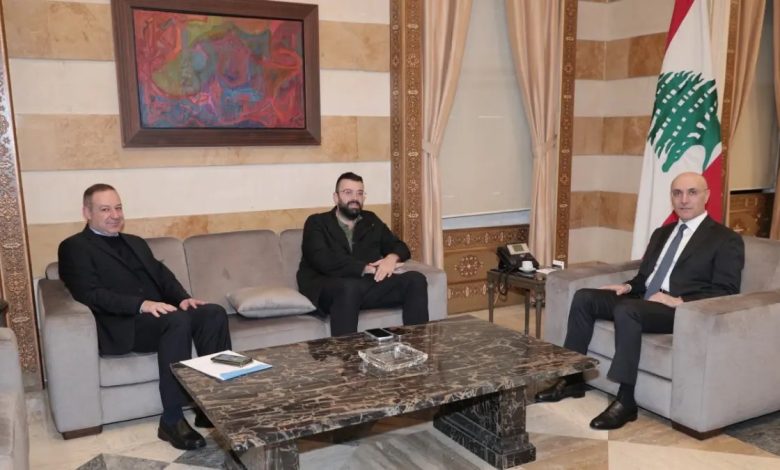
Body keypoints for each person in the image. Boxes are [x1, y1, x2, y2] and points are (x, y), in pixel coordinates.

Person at [535, 172, 744, 430]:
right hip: (643, 301)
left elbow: (727, 290)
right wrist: (627, 286)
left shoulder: (725, 239)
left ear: (707, 196)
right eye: (677, 193)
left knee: (628, 310)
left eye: (692, 192)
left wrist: (678, 300)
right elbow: (645, 277)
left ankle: (626, 401)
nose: (684, 200)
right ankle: (573, 379)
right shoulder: (662, 233)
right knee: (585, 297)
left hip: (680, 310)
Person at [58, 184, 232, 450]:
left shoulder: (135, 242)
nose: (115, 215)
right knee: (176, 321)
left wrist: (182, 298)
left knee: (213, 313)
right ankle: (171, 420)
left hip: (158, 316)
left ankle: (209, 405)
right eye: (105, 209)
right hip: (124, 324)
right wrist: (141, 305)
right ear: (87, 213)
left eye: (118, 208)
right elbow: (89, 294)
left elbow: (163, 277)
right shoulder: (74, 247)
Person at [297, 172, 429, 336]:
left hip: (364, 286)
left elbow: (400, 246)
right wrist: (367, 268)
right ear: (336, 197)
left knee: (415, 279)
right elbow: (322, 259)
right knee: (349, 288)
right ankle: (347, 351)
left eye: (360, 193)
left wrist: (391, 258)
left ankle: (416, 344)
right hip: (327, 287)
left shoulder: (370, 220)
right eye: (348, 192)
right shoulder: (317, 222)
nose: (355, 198)